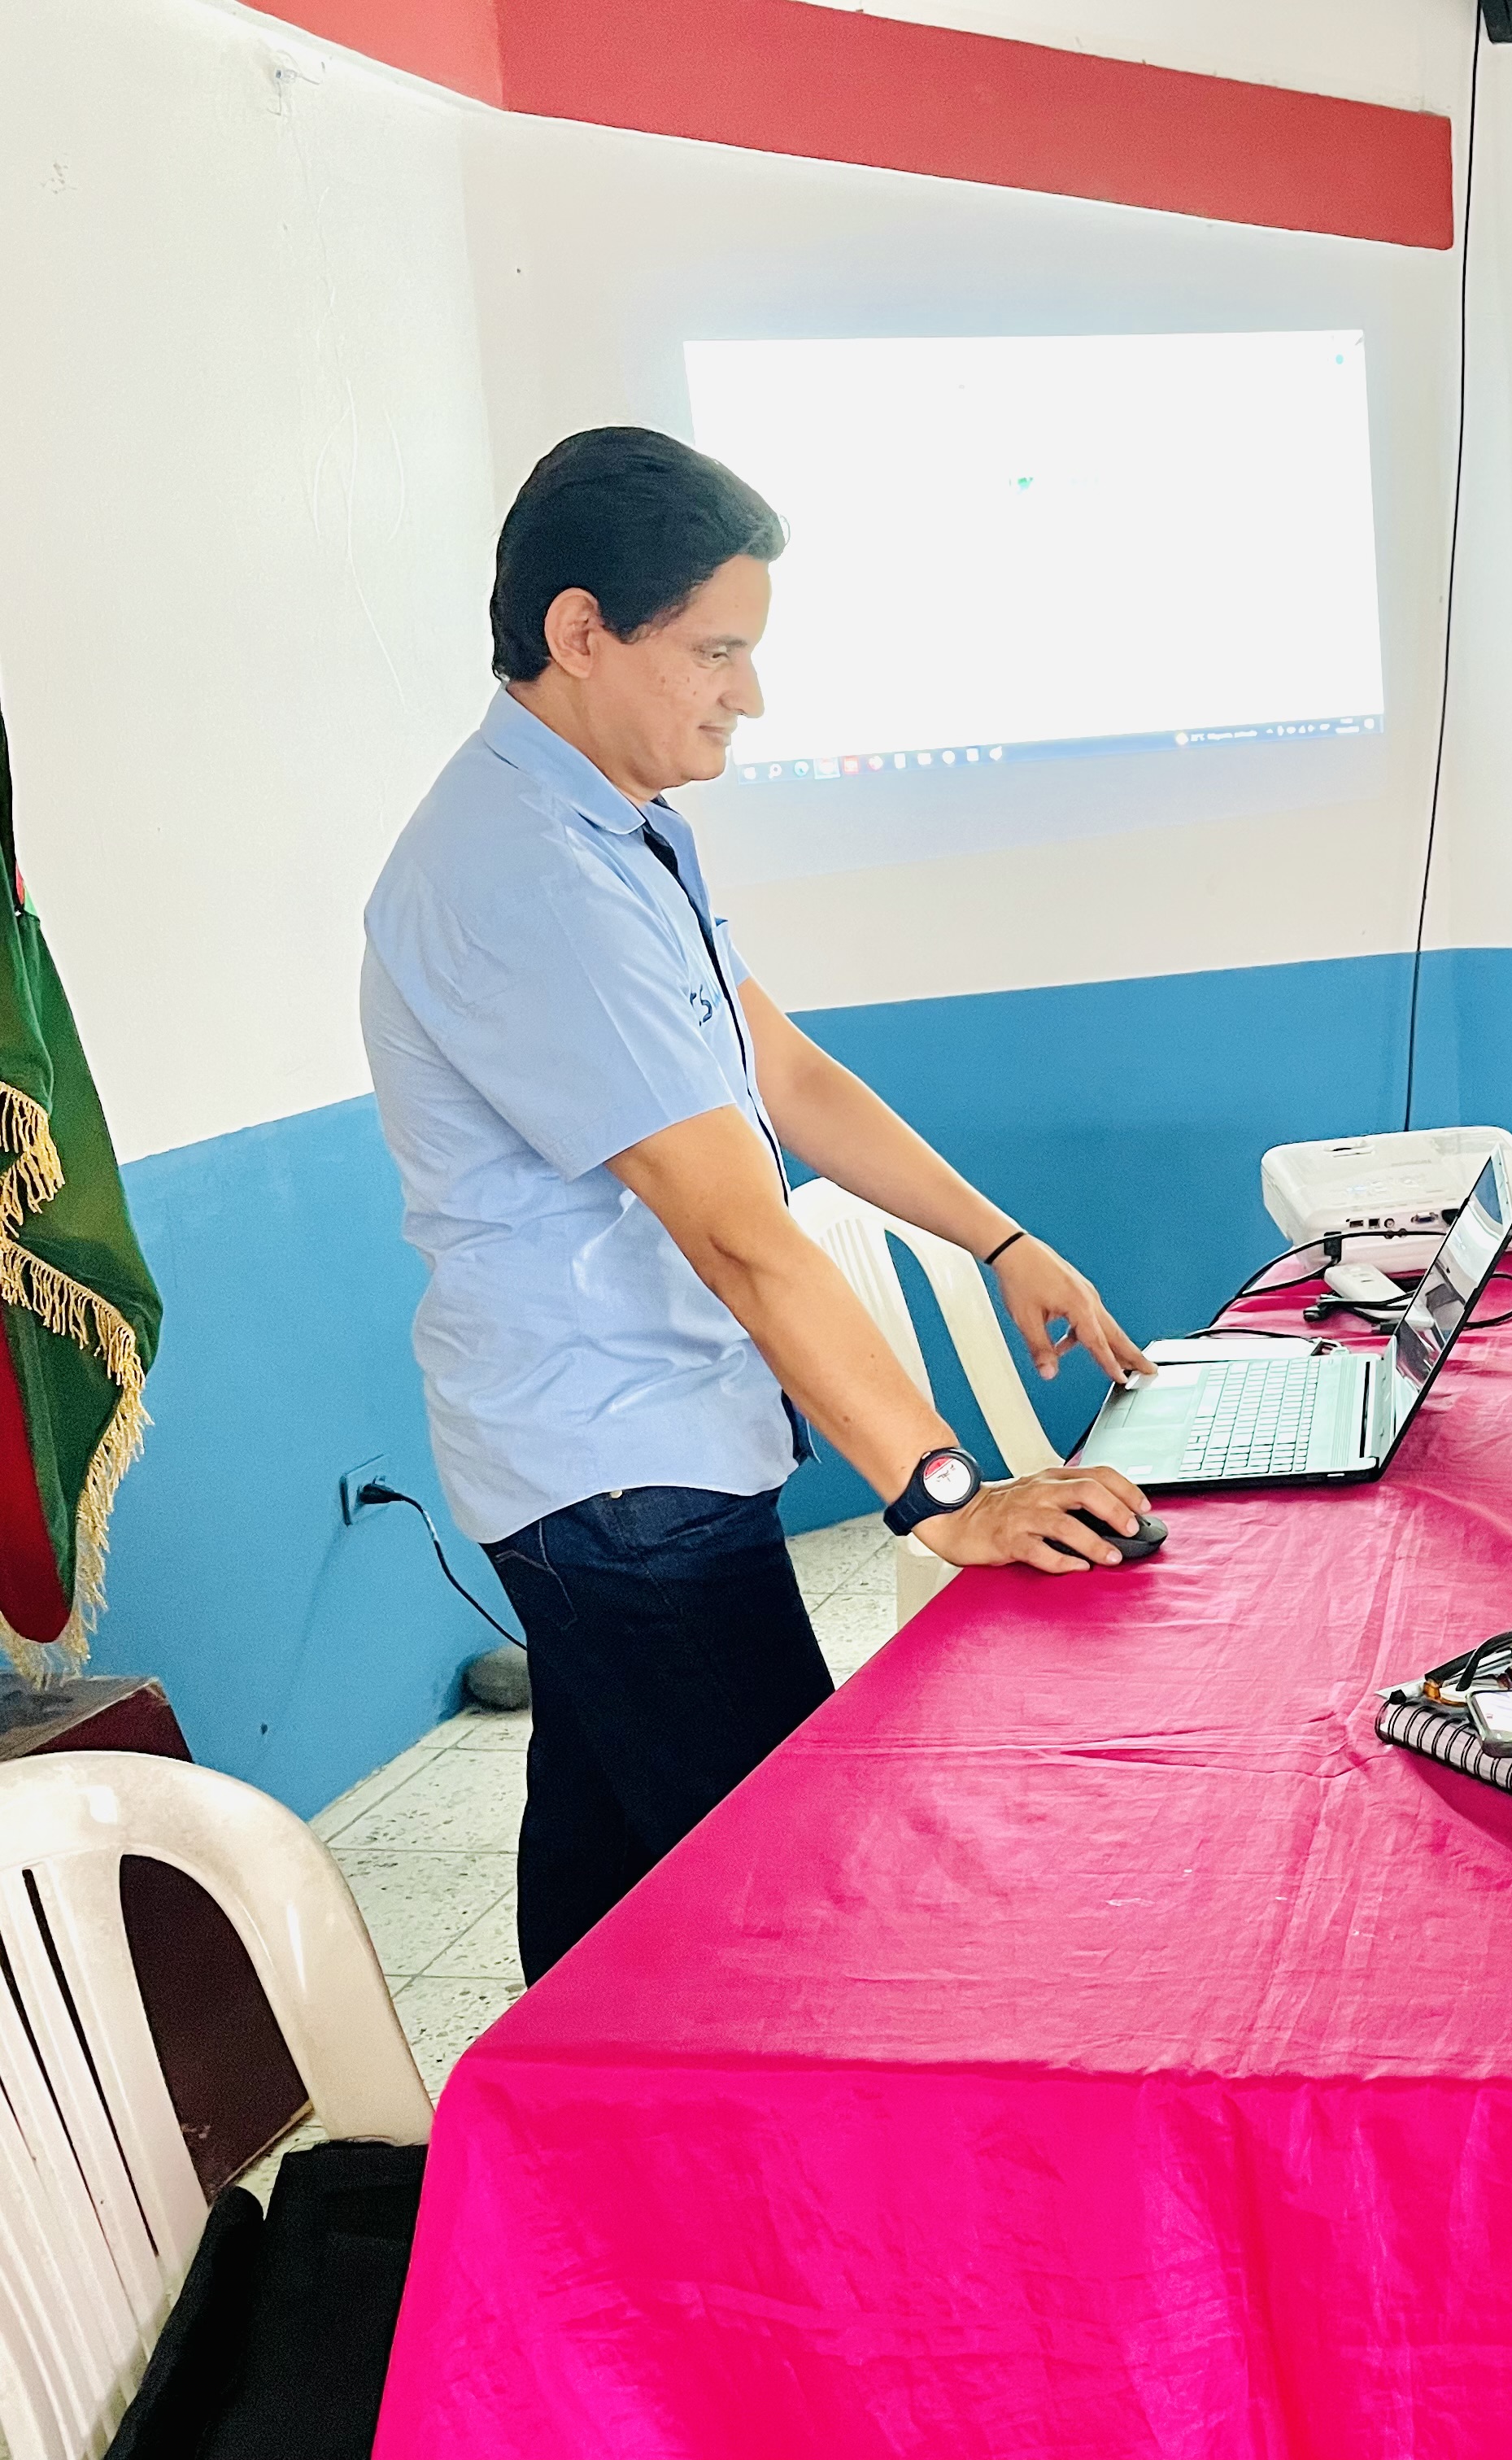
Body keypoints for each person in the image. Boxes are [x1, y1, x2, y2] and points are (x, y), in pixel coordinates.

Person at [362, 428, 1158, 1982]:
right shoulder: (531, 875)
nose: (750, 694)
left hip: (621, 1446)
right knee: (796, 1905)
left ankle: (554, 2119)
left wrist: (998, 1238)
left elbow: (776, 1066)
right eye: (717, 651)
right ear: (581, 631)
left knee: (607, 1855)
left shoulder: (611, 823)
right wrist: (944, 1494)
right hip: (614, 1471)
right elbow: (737, 1228)